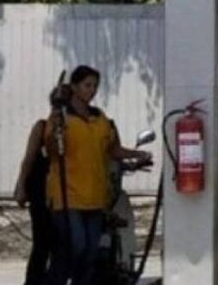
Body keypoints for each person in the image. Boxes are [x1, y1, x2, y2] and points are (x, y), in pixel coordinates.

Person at [43, 65, 151, 285]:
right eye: (87, 85)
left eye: (95, 86)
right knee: (77, 246)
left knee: (92, 252)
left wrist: (137, 154)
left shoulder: (99, 118)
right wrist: (56, 124)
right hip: (68, 197)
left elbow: (112, 149)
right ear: (74, 87)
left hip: (95, 197)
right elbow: (51, 150)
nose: (92, 90)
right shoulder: (62, 118)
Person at [13, 95, 54, 285]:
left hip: (67, 195)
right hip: (40, 192)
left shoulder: (75, 128)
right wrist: (21, 186)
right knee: (42, 242)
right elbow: (29, 158)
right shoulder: (42, 128)